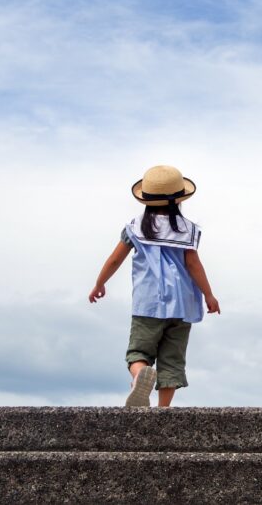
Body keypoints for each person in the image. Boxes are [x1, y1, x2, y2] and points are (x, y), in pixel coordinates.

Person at [89, 165, 220, 408]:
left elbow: (115, 259)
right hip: (182, 307)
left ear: (146, 200)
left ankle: (141, 376)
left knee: (138, 353)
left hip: (147, 304)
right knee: (172, 360)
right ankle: (163, 410)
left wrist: (100, 283)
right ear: (178, 200)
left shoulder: (135, 228)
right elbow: (194, 265)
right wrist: (209, 295)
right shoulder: (187, 230)